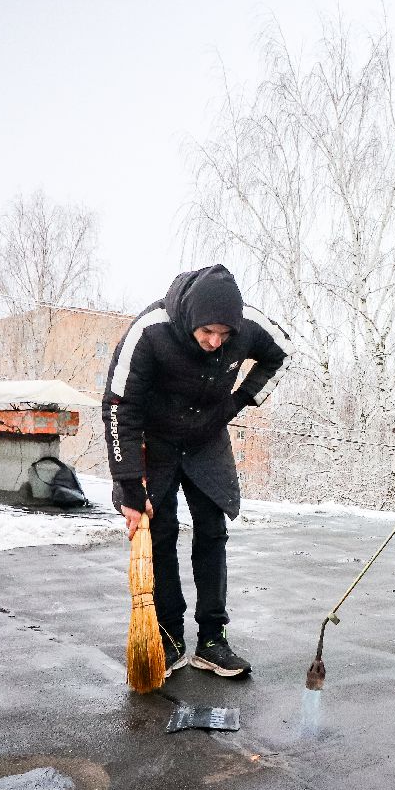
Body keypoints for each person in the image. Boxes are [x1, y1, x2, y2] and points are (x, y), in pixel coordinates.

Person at [104, 264, 291, 677]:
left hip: (207, 438)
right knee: (162, 533)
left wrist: (239, 401)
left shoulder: (249, 326)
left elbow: (282, 354)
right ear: (189, 318)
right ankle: (169, 639)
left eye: (224, 335)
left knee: (212, 531)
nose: (214, 342)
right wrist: (129, 484)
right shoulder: (150, 330)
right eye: (207, 332)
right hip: (157, 442)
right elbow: (119, 406)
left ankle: (212, 640)